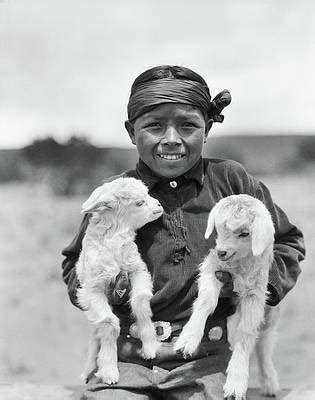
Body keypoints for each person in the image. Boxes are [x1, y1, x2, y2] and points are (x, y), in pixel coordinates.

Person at [61, 65, 305, 400]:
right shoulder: (118, 194)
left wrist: (250, 282)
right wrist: (112, 289)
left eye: (188, 125)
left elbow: (287, 242)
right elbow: (75, 262)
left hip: (205, 362)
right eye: (154, 126)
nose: (172, 139)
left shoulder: (231, 181)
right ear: (132, 132)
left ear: (206, 129)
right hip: (125, 361)